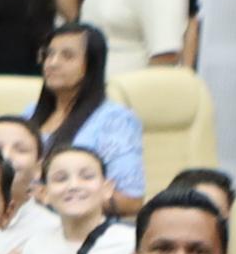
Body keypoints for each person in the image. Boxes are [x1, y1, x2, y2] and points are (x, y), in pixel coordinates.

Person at [24, 19, 145, 203]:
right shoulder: (28, 114)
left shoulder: (115, 120)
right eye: (49, 54)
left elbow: (131, 200)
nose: (52, 63)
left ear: (91, 65)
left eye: (67, 56)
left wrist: (58, 199)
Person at [0, 143, 133, 254]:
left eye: (87, 176)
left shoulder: (131, 242)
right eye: (60, 178)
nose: (73, 185)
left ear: (107, 188)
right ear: (44, 193)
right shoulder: (33, 248)